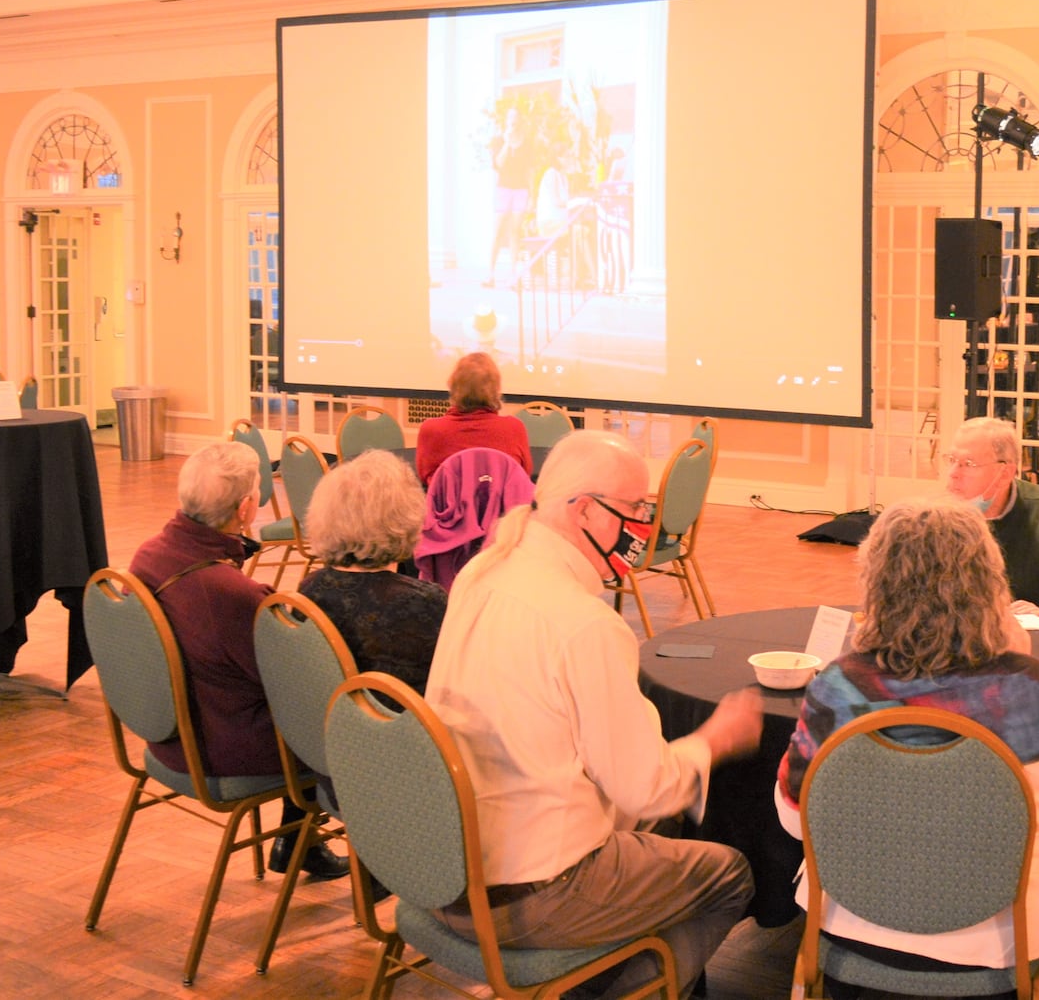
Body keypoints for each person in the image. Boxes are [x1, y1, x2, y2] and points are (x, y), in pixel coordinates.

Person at [424, 430, 762, 998]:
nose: (643, 526)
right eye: (634, 509)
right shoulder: (584, 623)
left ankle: (595, 974)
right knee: (728, 874)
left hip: (446, 866)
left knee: (666, 824)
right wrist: (714, 739)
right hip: (532, 891)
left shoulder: (481, 574)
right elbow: (645, 789)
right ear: (582, 509)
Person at [775, 497, 1039, 977]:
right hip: (1000, 937)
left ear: (875, 583)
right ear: (990, 582)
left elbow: (792, 817)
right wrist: (1022, 660)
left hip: (851, 921)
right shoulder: (1027, 689)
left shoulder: (838, 686)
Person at [128, 441, 348, 880]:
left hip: (169, 731)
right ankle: (373, 864)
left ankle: (296, 842)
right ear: (247, 508)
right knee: (341, 721)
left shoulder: (147, 555)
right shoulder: (233, 595)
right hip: (219, 745)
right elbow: (294, 686)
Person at [298, 449, 446, 695]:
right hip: (406, 727)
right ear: (405, 518)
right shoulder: (423, 601)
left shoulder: (310, 588)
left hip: (329, 721)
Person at [941, 416, 1039, 618]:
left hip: (1029, 642)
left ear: (1005, 473)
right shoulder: (938, 518)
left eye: (968, 463)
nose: (953, 473)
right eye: (951, 460)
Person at [414, 351, 532, 485]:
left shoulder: (432, 430)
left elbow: (426, 479)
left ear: (453, 386)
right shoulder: (514, 429)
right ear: (496, 389)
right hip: (505, 506)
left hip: (449, 506)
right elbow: (524, 476)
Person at [485, 105, 537, 288]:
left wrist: (533, 196)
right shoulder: (499, 140)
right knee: (498, 230)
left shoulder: (528, 143)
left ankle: (513, 275)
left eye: (516, 117)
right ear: (506, 121)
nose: (513, 120)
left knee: (515, 231)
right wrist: (507, 142)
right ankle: (490, 274)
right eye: (510, 117)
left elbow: (531, 170)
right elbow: (498, 164)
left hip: (521, 190)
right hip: (504, 189)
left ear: (520, 120)